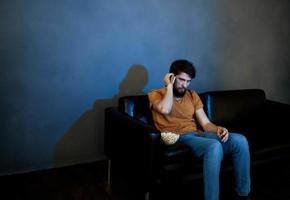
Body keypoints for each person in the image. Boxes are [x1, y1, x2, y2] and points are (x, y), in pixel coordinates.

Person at [147, 59, 251, 200]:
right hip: (179, 137)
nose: (184, 85)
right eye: (181, 80)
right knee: (214, 146)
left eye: (188, 81)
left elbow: (206, 124)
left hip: (198, 134)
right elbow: (164, 109)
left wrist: (218, 128)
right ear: (171, 77)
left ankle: (243, 193)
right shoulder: (155, 94)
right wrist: (169, 87)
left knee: (240, 140)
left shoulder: (192, 95)